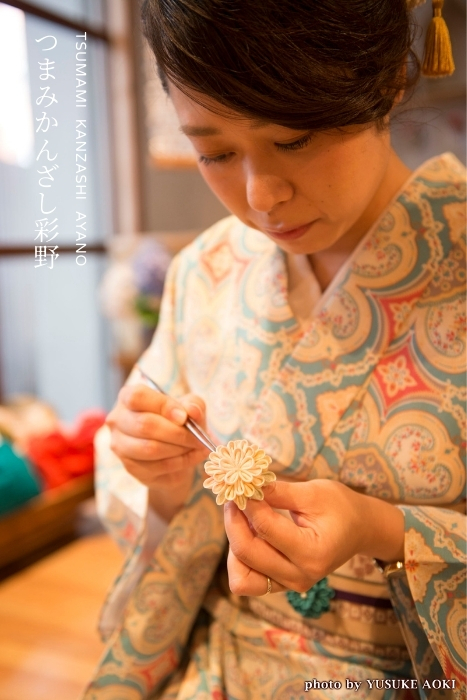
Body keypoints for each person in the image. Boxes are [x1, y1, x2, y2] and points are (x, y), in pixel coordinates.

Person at [82, 1, 466, 698]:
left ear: (385, 80)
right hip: (219, 667)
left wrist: (379, 529)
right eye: (215, 153)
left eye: (294, 139)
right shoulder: (204, 273)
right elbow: (156, 514)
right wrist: (164, 483)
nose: (261, 196)